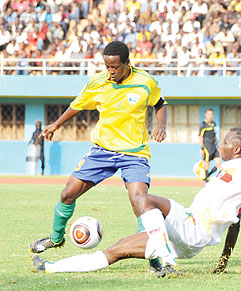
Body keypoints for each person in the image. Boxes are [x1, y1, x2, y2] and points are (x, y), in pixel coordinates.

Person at [32, 128, 241, 277]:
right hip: (182, 223)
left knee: (144, 199)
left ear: (238, 149)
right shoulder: (226, 169)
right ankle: (51, 268)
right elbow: (235, 224)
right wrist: (223, 262)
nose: (221, 143)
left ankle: (165, 257)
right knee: (115, 251)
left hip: (193, 232)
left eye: (226, 141)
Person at [29, 41, 167, 273]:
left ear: (127, 63)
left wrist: (161, 126)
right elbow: (77, 105)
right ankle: (55, 238)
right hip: (102, 151)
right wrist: (56, 124)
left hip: (134, 154)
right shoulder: (98, 82)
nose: (111, 72)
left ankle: (153, 257)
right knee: (67, 193)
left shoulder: (145, 82)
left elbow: (160, 104)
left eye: (115, 67)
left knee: (140, 201)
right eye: (107, 67)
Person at [198, 108, 222, 181]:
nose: (210, 116)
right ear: (205, 115)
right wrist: (202, 148)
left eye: (211, 114)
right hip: (206, 146)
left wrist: (218, 145)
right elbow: (200, 137)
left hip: (213, 146)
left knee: (219, 164)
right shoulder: (203, 125)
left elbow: (214, 136)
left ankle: (207, 175)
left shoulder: (214, 124)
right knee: (207, 164)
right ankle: (206, 180)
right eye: (208, 114)